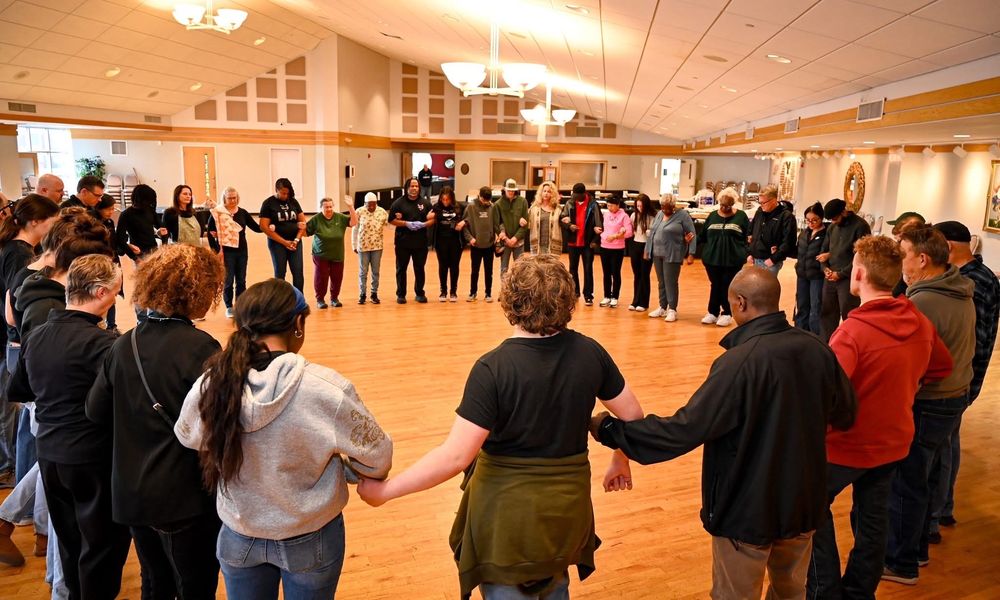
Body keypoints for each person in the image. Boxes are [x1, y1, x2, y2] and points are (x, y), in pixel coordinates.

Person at [357, 254, 644, 599]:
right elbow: (633, 416)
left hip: (507, 523)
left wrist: (386, 492)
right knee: (556, 584)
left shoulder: (493, 368)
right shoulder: (590, 353)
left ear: (511, 301)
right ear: (567, 299)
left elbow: (455, 457)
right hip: (567, 513)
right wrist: (620, 458)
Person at [591, 267, 857, 600]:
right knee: (792, 592)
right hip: (803, 503)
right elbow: (846, 414)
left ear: (741, 303)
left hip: (747, 511)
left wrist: (609, 429)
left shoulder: (739, 363)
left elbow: (684, 430)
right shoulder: (817, 348)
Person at [175, 279, 393, 599]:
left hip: (239, 533)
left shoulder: (212, 383)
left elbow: (188, 436)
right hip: (311, 536)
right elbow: (378, 457)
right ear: (298, 324)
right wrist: (346, 469)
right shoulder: (327, 388)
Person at [807, 235, 952, 599]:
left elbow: (827, 395)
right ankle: (859, 592)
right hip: (892, 442)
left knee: (809, 507)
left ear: (858, 274)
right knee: (874, 518)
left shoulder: (852, 332)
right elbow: (941, 366)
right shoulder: (917, 320)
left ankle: (826, 591)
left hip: (846, 445)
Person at [86, 245, 225, 600]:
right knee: (195, 585)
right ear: (196, 291)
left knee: (154, 581)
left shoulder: (123, 345)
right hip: (184, 496)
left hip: (132, 494)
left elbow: (94, 412)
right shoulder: (201, 348)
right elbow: (220, 424)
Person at [9, 254, 131, 600]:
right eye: (115, 293)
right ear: (100, 292)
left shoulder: (37, 336)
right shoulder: (105, 345)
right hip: (93, 457)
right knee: (103, 547)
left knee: (70, 542)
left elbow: (18, 390)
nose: (115, 301)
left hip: (50, 453)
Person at [883, 226, 975, 586]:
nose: (899, 262)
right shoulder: (957, 288)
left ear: (922, 259)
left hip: (930, 401)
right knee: (924, 477)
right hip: (952, 397)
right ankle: (917, 550)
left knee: (907, 482)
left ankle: (901, 562)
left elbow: (909, 364)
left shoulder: (923, 302)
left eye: (903, 254)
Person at [926, 221, 999, 542]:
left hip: (958, 379)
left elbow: (972, 340)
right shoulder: (975, 276)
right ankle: (943, 507)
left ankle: (935, 515)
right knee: (948, 442)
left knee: (943, 447)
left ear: (947, 246)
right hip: (960, 378)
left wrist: (961, 383)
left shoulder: (973, 282)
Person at [0, 194, 59, 485]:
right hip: (18, 343)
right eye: (52, 223)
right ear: (35, 222)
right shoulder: (20, 254)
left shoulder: (17, 249)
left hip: (16, 342)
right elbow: (12, 309)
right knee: (24, 418)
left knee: (24, 416)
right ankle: (15, 472)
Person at [817, 198, 871, 342]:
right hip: (830, 277)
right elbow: (824, 251)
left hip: (848, 278)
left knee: (849, 314)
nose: (833, 222)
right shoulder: (832, 227)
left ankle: (849, 344)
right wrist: (825, 268)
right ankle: (826, 345)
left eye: (835, 218)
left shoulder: (861, 226)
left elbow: (861, 257)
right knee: (827, 313)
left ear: (844, 212)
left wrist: (840, 274)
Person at [697, 187, 749, 327]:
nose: (724, 208)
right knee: (715, 285)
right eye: (722, 205)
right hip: (712, 259)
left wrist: (746, 252)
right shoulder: (713, 216)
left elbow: (747, 237)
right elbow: (703, 236)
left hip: (733, 260)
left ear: (733, 204)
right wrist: (690, 244)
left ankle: (727, 313)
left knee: (727, 285)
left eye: (728, 206)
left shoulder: (741, 216)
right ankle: (712, 312)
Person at [208, 186, 263, 318]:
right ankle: (229, 307)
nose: (232, 200)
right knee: (228, 281)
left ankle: (240, 304)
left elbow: (256, 228)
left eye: (234, 198)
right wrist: (216, 251)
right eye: (230, 198)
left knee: (241, 280)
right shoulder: (218, 213)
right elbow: (210, 234)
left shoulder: (242, 212)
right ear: (224, 199)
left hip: (242, 251)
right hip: (226, 252)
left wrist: (269, 225)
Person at [646, 194, 696, 322]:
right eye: (662, 206)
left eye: (667, 207)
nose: (664, 209)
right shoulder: (659, 214)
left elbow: (692, 234)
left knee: (670, 282)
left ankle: (672, 309)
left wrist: (691, 253)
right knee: (661, 282)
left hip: (673, 253)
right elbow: (652, 233)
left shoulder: (683, 215)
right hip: (657, 253)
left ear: (673, 206)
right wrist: (647, 250)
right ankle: (662, 307)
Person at [389, 177, 435, 304]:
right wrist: (406, 223)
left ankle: (419, 293)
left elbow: (433, 218)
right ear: (407, 188)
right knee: (401, 268)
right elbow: (391, 220)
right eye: (412, 186)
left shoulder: (425, 203)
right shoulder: (398, 203)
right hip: (402, 242)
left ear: (419, 188)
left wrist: (424, 225)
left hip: (420, 242)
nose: (414, 188)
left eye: (416, 186)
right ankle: (401, 294)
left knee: (419, 268)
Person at [306, 197, 358, 309]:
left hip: (337, 254)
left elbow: (354, 222)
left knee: (337, 277)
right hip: (321, 254)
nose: (329, 209)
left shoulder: (339, 217)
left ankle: (334, 298)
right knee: (321, 278)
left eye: (330, 206)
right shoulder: (316, 219)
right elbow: (305, 232)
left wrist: (350, 207)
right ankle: (320, 300)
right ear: (321, 207)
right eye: (326, 207)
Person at [259, 178, 307, 293]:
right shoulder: (268, 203)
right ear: (276, 190)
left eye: (287, 193)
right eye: (283, 193)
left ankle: (299, 299)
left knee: (298, 272)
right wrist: (284, 242)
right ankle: (280, 300)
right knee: (280, 272)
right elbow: (264, 227)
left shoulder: (293, 202)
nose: (285, 196)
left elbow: (303, 223)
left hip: (295, 243)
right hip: (277, 243)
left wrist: (296, 240)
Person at [560, 183, 603, 306]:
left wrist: (595, 240)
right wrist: (569, 226)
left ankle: (588, 295)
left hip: (587, 243)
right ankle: (575, 292)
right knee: (572, 269)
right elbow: (562, 219)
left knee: (588, 269)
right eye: (574, 195)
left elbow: (599, 224)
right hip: (573, 242)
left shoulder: (593, 205)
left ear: (584, 194)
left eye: (577, 195)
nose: (575, 197)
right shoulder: (569, 203)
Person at [746, 185, 796, 275]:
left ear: (773, 200)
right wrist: (749, 253)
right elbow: (750, 232)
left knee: (767, 284)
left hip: (770, 261)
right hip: (755, 259)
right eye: (759, 202)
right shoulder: (760, 211)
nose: (761, 205)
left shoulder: (786, 216)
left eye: (763, 203)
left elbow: (788, 242)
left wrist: (773, 259)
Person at [91, 194, 123, 333]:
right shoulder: (93, 222)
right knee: (100, 294)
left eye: (113, 208)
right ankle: (100, 325)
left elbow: (114, 241)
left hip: (111, 260)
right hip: (98, 263)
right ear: (99, 208)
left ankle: (112, 325)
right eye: (108, 209)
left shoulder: (109, 222)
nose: (111, 212)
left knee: (111, 294)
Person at [793, 202, 826, 335]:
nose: (810, 223)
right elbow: (797, 251)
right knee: (802, 304)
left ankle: (814, 335)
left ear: (821, 218)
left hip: (817, 276)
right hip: (802, 274)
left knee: (815, 306)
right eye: (807, 220)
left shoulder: (827, 233)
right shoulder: (804, 233)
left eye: (814, 220)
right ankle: (800, 332)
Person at [353, 192, 388, 305]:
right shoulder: (359, 211)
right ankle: (362, 294)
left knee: (375, 271)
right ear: (365, 203)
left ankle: (374, 294)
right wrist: (354, 244)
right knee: (363, 272)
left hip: (377, 246)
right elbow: (355, 229)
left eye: (373, 204)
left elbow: (389, 224)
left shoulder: (382, 212)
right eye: (369, 205)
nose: (371, 207)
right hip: (363, 246)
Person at [431, 186, 465, 302]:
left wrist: (463, 222)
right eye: (443, 199)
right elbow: (428, 217)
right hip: (441, 241)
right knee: (443, 266)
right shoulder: (436, 207)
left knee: (454, 266)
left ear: (452, 198)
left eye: (448, 199)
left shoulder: (459, 206)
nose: (445, 202)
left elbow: (469, 217)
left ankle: (453, 291)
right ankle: (443, 291)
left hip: (455, 242)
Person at [463, 187, 496, 303]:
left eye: (488, 200)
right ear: (479, 197)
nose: (486, 202)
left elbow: (496, 224)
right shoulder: (471, 207)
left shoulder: (492, 207)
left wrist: (497, 235)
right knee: (474, 271)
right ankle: (473, 293)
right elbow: (464, 225)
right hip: (476, 245)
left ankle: (488, 293)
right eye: (484, 200)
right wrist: (470, 238)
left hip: (489, 245)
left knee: (489, 271)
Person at [116, 184, 165, 263]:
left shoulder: (149, 210)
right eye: (147, 201)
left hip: (154, 249)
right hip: (138, 252)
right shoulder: (126, 214)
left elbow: (162, 229)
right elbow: (120, 239)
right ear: (140, 200)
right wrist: (134, 257)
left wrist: (164, 245)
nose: (150, 204)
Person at [598, 196, 633, 308]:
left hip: (617, 249)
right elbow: (603, 229)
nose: (609, 208)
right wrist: (602, 234)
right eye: (608, 205)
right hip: (604, 246)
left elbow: (629, 233)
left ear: (618, 205)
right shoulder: (605, 214)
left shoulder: (624, 216)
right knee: (606, 273)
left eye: (611, 205)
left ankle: (615, 297)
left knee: (615, 273)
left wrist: (616, 236)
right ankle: (607, 296)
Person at [492, 178, 529, 276]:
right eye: (509, 190)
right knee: (504, 269)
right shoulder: (498, 204)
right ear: (504, 189)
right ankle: (504, 286)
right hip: (505, 242)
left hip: (519, 242)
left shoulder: (523, 202)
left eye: (513, 190)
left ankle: (518, 286)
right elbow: (496, 224)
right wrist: (506, 239)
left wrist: (515, 238)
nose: (511, 192)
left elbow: (526, 223)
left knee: (520, 269)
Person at [627, 193, 657, 312]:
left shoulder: (652, 217)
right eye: (637, 206)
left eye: (641, 206)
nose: (639, 208)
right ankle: (635, 300)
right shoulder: (634, 215)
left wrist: (650, 233)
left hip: (647, 246)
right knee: (637, 274)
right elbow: (631, 231)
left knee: (644, 274)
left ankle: (644, 302)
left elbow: (653, 234)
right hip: (636, 245)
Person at [527, 180, 563, 256]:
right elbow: (527, 222)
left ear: (552, 194)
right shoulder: (534, 208)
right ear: (541, 193)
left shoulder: (558, 209)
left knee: (551, 264)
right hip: (538, 245)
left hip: (552, 245)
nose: (546, 193)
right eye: (544, 191)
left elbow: (563, 222)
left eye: (549, 192)